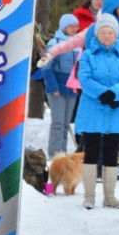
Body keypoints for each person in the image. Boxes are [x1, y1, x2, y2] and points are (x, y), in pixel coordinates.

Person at [75, 14, 119, 210]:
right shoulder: (88, 55)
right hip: (93, 108)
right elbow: (85, 78)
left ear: (116, 35)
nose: (107, 36)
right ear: (97, 34)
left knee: (111, 152)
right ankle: (89, 196)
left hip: (116, 110)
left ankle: (110, 196)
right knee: (90, 151)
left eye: (110, 32)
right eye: (103, 32)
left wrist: (115, 94)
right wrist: (103, 94)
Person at [42, 14, 81, 157]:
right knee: (58, 123)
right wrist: (53, 88)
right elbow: (46, 67)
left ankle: (62, 153)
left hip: (71, 89)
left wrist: (77, 85)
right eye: (72, 26)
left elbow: (79, 67)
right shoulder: (55, 43)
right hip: (57, 88)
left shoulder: (77, 45)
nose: (75, 29)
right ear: (64, 26)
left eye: (76, 26)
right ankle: (54, 155)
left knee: (65, 124)